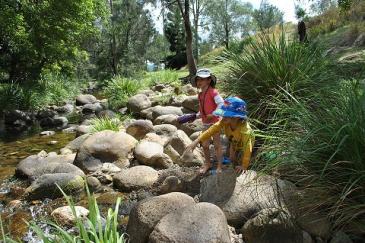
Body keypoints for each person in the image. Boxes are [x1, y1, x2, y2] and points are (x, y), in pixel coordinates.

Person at [183, 97, 254, 175]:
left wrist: (244, 166)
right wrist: (196, 141)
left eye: (226, 115)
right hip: (233, 142)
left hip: (243, 147)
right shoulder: (224, 122)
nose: (223, 117)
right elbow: (211, 130)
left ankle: (236, 167)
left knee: (239, 160)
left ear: (237, 117)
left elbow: (248, 149)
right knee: (232, 157)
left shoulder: (245, 131)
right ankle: (230, 163)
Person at [192, 68, 224, 174]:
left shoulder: (213, 92)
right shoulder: (200, 95)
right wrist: (195, 116)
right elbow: (202, 110)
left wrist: (214, 113)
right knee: (205, 145)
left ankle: (219, 165)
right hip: (206, 123)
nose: (199, 82)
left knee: (217, 145)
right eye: (198, 80)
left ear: (209, 80)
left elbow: (222, 104)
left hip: (215, 123)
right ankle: (208, 163)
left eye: (202, 79)